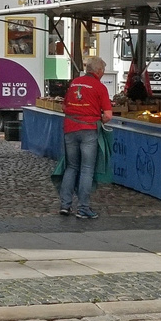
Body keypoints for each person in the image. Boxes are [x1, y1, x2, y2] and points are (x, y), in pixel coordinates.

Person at [60, 56, 113, 219]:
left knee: (71, 167)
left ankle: (65, 205)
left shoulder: (75, 82)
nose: (103, 73)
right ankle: (83, 208)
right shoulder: (99, 87)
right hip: (89, 130)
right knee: (87, 169)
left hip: (70, 128)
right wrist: (99, 117)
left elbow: (64, 106)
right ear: (98, 71)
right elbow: (108, 115)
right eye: (103, 70)